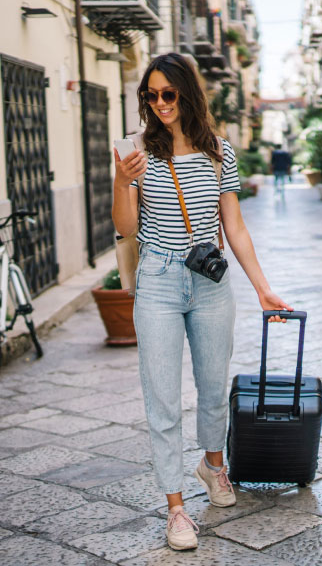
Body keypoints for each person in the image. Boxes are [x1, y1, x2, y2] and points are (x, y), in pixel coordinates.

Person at [111, 52, 291, 551]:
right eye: (151, 95)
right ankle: (175, 509)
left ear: (187, 93)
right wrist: (124, 180)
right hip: (159, 281)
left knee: (213, 387)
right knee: (162, 398)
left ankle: (214, 467)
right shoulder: (134, 149)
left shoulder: (219, 151)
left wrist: (262, 286)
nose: (159, 103)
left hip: (209, 281)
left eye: (168, 94)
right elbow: (125, 227)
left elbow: (233, 225)